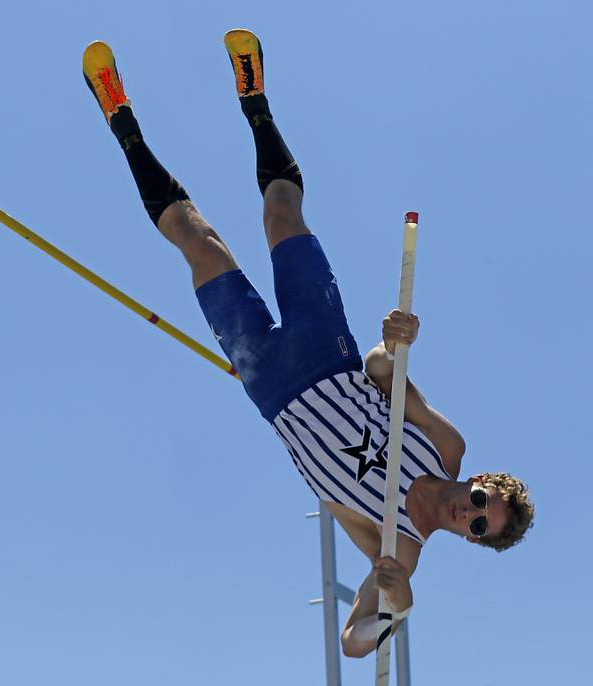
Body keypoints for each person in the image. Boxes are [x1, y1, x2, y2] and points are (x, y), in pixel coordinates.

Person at [82, 29, 535, 658]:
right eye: (483, 502)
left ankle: (121, 121)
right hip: (330, 351)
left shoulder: (397, 552)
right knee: (281, 215)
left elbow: (352, 643)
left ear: (476, 542)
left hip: (272, 387)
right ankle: (255, 99)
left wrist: (395, 607)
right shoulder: (448, 447)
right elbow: (381, 370)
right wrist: (394, 344)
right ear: (481, 481)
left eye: (482, 528)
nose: (474, 514)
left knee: (197, 241)